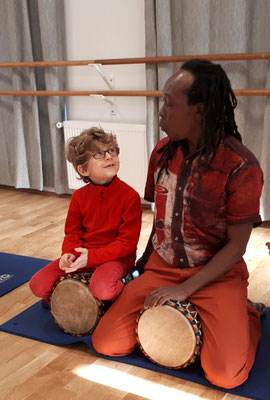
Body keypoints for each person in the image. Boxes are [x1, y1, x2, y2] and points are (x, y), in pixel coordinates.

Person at [92, 59, 265, 389]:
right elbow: (159, 218)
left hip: (217, 275)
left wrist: (185, 289)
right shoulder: (160, 152)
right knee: (107, 343)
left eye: (169, 104)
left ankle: (247, 314)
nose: (161, 112)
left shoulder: (241, 166)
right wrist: (143, 267)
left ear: (199, 111)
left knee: (226, 375)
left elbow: (237, 246)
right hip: (163, 267)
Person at [29, 127, 142, 303]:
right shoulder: (79, 196)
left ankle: (126, 282)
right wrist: (69, 254)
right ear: (83, 170)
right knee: (37, 285)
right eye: (98, 153)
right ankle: (85, 292)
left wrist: (93, 257)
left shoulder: (130, 196)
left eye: (111, 150)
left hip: (116, 259)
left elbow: (127, 244)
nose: (108, 156)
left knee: (104, 291)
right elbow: (73, 233)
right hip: (83, 257)